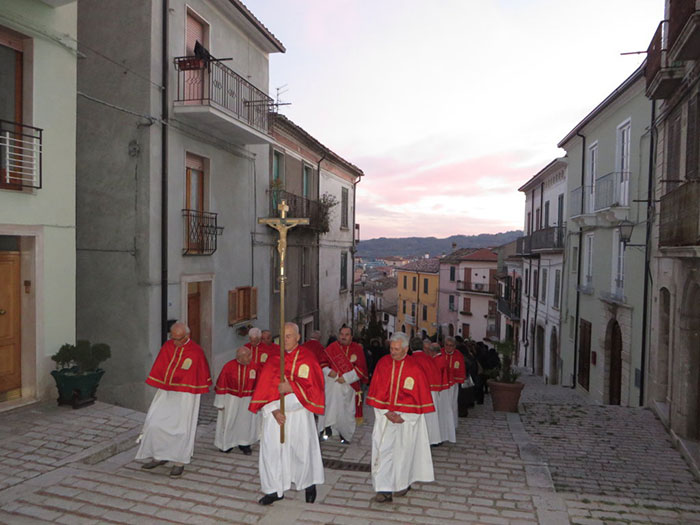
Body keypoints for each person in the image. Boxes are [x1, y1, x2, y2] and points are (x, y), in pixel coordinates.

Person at [250, 322, 325, 506]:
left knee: (302, 452)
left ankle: (308, 484)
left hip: (299, 415)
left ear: (298, 337)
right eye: (282, 336)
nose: (285, 340)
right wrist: (273, 410)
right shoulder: (274, 359)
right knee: (272, 453)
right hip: (275, 417)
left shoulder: (308, 358)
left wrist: (292, 386)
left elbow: (315, 387)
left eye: (289, 336)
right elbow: (263, 389)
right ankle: (274, 490)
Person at [136, 322, 211, 477]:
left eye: (178, 339)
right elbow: (161, 366)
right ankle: (159, 456)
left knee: (181, 430)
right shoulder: (168, 346)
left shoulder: (196, 352)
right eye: (173, 337)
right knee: (155, 424)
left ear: (187, 336)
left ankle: (179, 462)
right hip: (165, 392)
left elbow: (198, 375)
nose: (175, 342)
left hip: (186, 395)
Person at [367, 332, 435, 503]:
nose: (393, 352)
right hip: (385, 419)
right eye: (391, 348)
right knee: (383, 452)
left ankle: (401, 484)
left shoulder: (415, 368)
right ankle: (383, 489)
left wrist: (403, 416)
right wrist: (386, 412)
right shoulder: (382, 364)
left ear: (406, 349)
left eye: (397, 349)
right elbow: (375, 392)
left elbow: (419, 399)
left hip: (406, 422)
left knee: (403, 454)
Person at [317, 326, 369, 443]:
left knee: (345, 411)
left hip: (348, 387)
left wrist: (345, 378)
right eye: (342, 334)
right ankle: (326, 430)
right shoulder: (332, 348)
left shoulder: (357, 349)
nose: (343, 337)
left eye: (346, 334)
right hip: (332, 385)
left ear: (351, 336)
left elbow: (361, 369)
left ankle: (344, 434)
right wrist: (330, 372)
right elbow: (322, 363)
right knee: (329, 407)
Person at [213, 346, 260, 455]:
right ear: (239, 357)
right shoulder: (228, 367)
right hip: (231, 399)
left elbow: (259, 384)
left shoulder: (255, 366)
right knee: (229, 421)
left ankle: (245, 444)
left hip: (248, 399)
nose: (250, 358)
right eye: (247, 356)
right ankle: (227, 444)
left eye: (250, 355)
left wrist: (259, 402)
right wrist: (220, 402)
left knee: (246, 423)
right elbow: (221, 385)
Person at [409, 337, 442, 446]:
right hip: (432, 389)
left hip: (417, 391)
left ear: (410, 347)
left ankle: (418, 439)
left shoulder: (410, 360)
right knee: (432, 415)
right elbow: (436, 373)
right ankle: (434, 439)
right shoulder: (429, 359)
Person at [427, 341, 454, 443]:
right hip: (442, 389)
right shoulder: (441, 359)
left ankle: (439, 436)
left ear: (432, 352)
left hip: (440, 390)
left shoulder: (438, 361)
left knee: (439, 413)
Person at [443, 337, 466, 432]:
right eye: (447, 345)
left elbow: (461, 369)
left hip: (453, 385)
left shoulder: (458, 355)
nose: (448, 347)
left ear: (454, 346)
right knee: (443, 405)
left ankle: (452, 425)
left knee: (452, 404)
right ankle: (443, 425)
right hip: (442, 385)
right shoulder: (440, 354)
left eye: (451, 345)